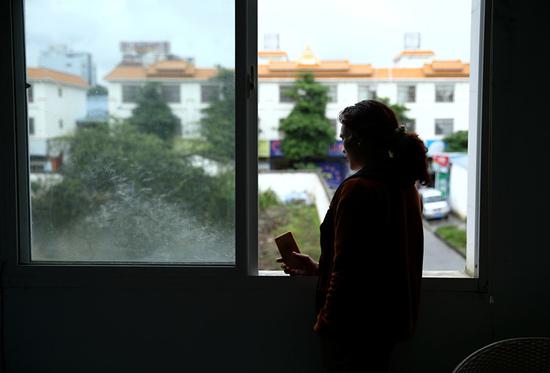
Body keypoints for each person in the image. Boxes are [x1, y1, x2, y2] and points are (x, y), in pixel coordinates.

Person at [277, 99, 429, 372]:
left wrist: (326, 324)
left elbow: (350, 269)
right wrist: (318, 268)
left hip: (352, 330)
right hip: (387, 326)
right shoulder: (405, 187)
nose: (341, 147)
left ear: (358, 141)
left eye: (343, 138)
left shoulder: (359, 189)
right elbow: (378, 258)